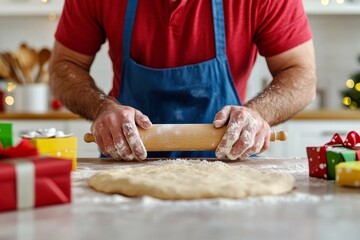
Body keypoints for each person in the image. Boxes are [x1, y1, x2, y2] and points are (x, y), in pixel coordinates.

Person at [49, 0, 316, 161]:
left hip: (230, 166)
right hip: (125, 161)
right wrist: (102, 108)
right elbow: (64, 66)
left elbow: (301, 74)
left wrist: (258, 114)